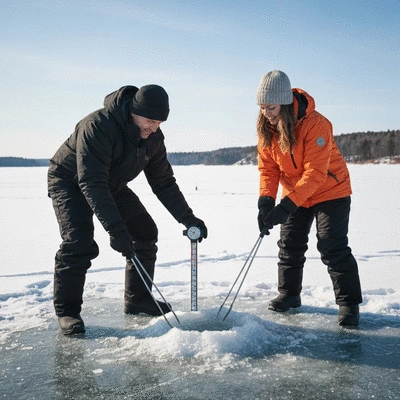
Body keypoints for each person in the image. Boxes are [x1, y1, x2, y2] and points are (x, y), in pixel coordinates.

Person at [48, 84, 207, 335]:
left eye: (159, 123)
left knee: (144, 231)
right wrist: (115, 229)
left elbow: (163, 182)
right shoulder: (98, 126)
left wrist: (188, 218)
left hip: (110, 182)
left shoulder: (153, 138)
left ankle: (138, 299)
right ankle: (68, 311)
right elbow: (91, 182)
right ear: (134, 111)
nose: (153, 128)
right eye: (150, 121)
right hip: (70, 182)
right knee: (79, 242)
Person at [256, 70, 362, 327]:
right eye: (261, 107)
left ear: (283, 102)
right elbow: (268, 168)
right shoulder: (267, 127)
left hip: (331, 191)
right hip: (296, 192)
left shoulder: (317, 124)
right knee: (289, 243)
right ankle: (289, 294)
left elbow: (316, 173)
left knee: (331, 246)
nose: (266, 113)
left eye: (270, 107)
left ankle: (348, 304)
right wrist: (266, 202)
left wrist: (287, 205)